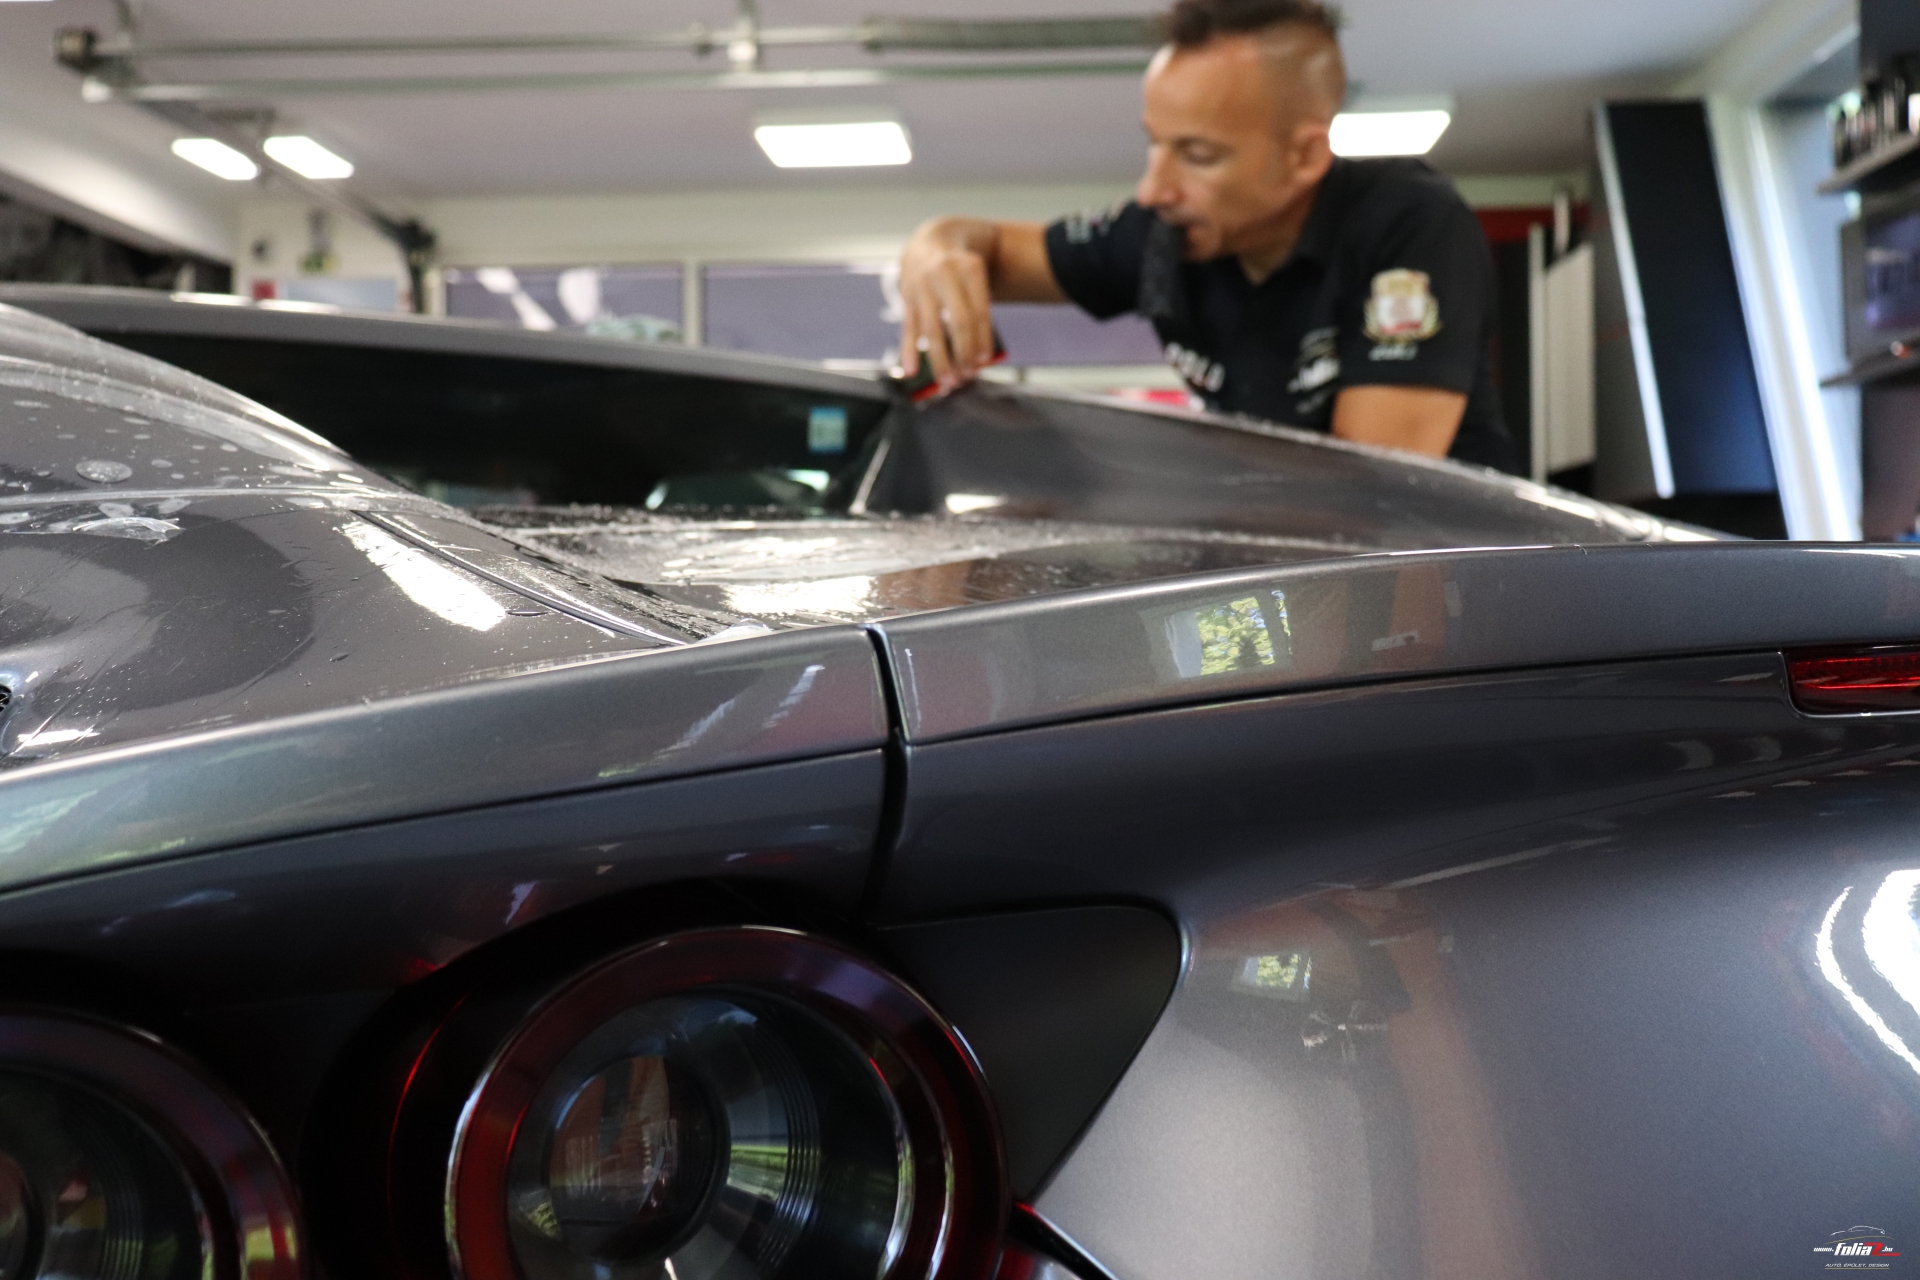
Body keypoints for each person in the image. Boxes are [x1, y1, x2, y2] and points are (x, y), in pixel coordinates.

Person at [895, 0, 1516, 472]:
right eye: (1155, 144)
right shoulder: (1164, 231)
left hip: (1448, 578)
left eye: (1198, 155)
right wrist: (936, 245)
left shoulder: (1409, 224)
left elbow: (1376, 488)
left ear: (1303, 156)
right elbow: (988, 248)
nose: (1152, 190)